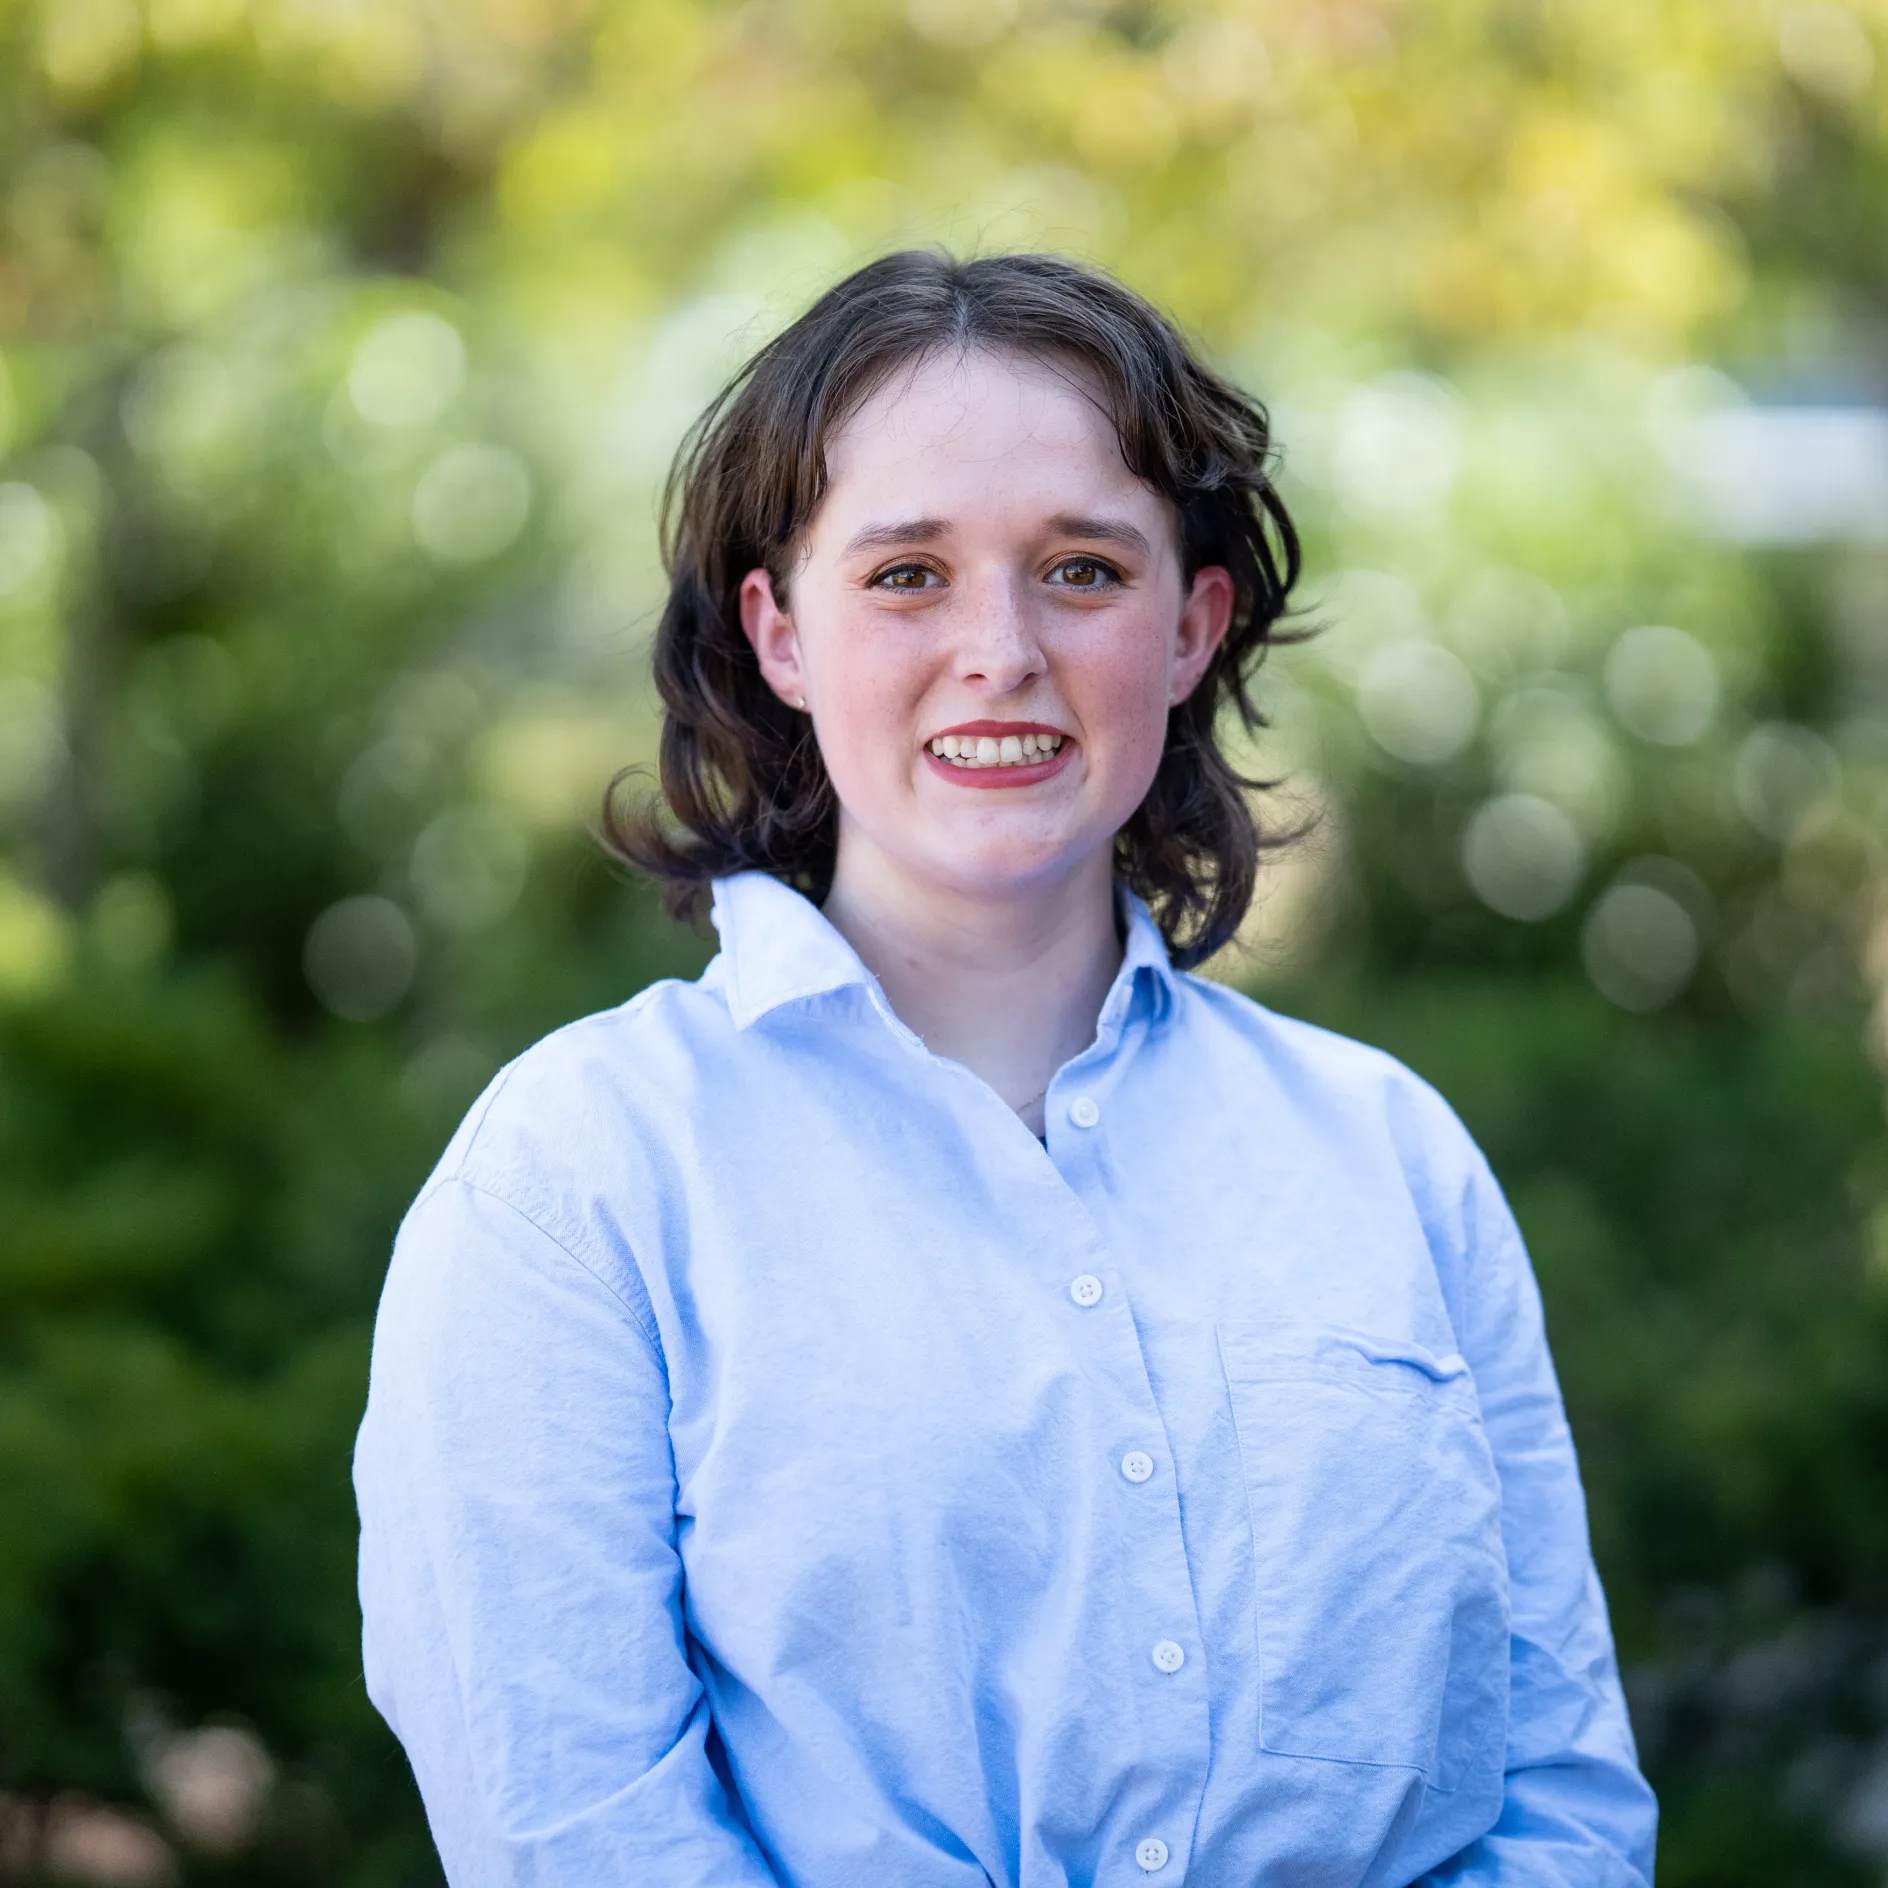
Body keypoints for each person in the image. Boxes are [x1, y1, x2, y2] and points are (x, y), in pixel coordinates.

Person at [353, 250, 1656, 1887]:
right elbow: (575, 1834)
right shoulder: (580, 1180)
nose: (1002, 649)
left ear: (1191, 628)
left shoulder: (1392, 1159)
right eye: (906, 575)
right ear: (781, 633)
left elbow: (1561, 1805)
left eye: (1081, 570)